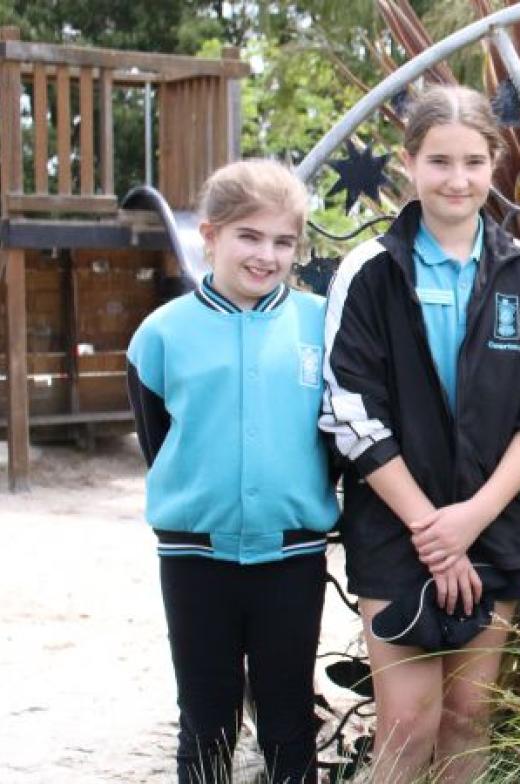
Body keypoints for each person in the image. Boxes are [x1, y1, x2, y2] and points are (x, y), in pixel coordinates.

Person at [319, 84, 520, 782]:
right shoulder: (370, 273)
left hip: (491, 527)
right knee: (409, 726)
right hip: (395, 530)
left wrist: (470, 521)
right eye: (440, 161)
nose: (457, 179)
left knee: (469, 718)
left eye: (474, 161)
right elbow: (349, 406)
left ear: (494, 165)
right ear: (409, 163)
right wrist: (434, 536)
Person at [126, 159, 338, 783]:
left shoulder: (320, 324)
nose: (266, 255)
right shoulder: (161, 335)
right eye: (249, 236)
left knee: (288, 717)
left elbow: (338, 433)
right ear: (210, 235)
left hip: (292, 559)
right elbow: (157, 436)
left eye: (283, 241)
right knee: (206, 720)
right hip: (196, 563)